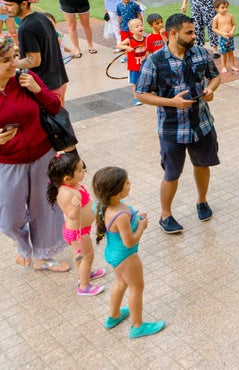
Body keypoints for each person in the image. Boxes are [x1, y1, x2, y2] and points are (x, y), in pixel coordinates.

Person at [135, 13, 222, 235]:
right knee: (172, 173)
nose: (195, 36)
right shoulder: (154, 61)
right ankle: (166, 215)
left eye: (194, 32)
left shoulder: (201, 53)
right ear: (173, 33)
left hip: (201, 124)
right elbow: (141, 94)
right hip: (171, 128)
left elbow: (215, 76)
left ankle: (202, 201)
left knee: (202, 164)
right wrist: (171, 103)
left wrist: (211, 89)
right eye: (189, 32)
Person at [0, 36, 69, 273]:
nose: (14, 64)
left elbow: (55, 107)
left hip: (42, 154)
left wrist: (38, 90)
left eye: (14, 58)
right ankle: (23, 246)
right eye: (6, 61)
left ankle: (42, 255)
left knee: (45, 207)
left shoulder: (24, 79)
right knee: (8, 216)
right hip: (8, 162)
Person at [92, 166, 166, 338]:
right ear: (116, 191)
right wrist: (142, 226)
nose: (130, 184)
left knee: (121, 284)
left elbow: (122, 222)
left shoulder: (106, 205)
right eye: (126, 182)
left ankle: (114, 316)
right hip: (126, 256)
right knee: (137, 287)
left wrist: (135, 215)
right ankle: (137, 326)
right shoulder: (120, 215)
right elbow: (130, 241)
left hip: (112, 255)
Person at [47, 151, 105, 295]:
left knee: (80, 255)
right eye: (79, 170)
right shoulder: (66, 193)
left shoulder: (73, 185)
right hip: (78, 233)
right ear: (67, 178)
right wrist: (76, 207)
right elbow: (71, 216)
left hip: (81, 230)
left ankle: (85, 272)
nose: (83, 171)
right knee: (87, 256)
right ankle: (84, 286)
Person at [2, 0, 69, 99]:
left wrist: (8, 63)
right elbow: (44, 46)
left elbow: (34, 61)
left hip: (44, 86)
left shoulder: (27, 27)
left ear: (23, 4)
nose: (5, 8)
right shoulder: (42, 17)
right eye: (4, 4)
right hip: (57, 80)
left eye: (9, 5)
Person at [119, 18, 148, 106]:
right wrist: (127, 48)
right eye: (137, 26)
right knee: (135, 82)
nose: (140, 27)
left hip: (144, 65)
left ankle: (147, 94)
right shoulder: (130, 40)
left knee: (147, 80)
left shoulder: (146, 38)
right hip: (134, 67)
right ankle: (136, 98)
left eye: (141, 25)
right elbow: (119, 45)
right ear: (131, 30)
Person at [211, 0, 238, 74]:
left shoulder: (230, 16)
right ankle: (224, 67)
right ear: (216, 9)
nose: (225, 9)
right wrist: (222, 33)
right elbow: (214, 28)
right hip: (222, 38)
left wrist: (232, 31)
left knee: (231, 52)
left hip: (230, 37)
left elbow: (234, 25)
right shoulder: (216, 18)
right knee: (223, 53)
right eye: (222, 8)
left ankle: (232, 65)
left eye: (226, 7)